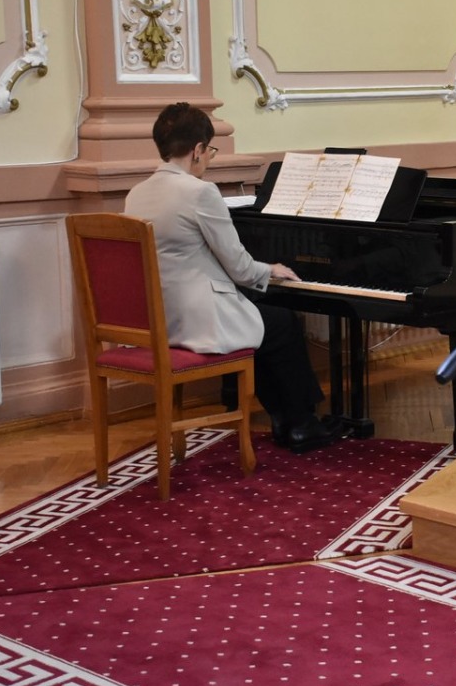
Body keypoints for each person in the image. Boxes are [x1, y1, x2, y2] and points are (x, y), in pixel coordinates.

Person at [124, 102, 337, 453]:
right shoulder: (200, 192)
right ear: (197, 149)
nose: (208, 158)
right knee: (281, 322)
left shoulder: (137, 194)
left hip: (160, 317)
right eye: (210, 150)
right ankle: (300, 423)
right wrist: (270, 270)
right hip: (197, 319)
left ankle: (284, 419)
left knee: (262, 319)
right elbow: (239, 266)